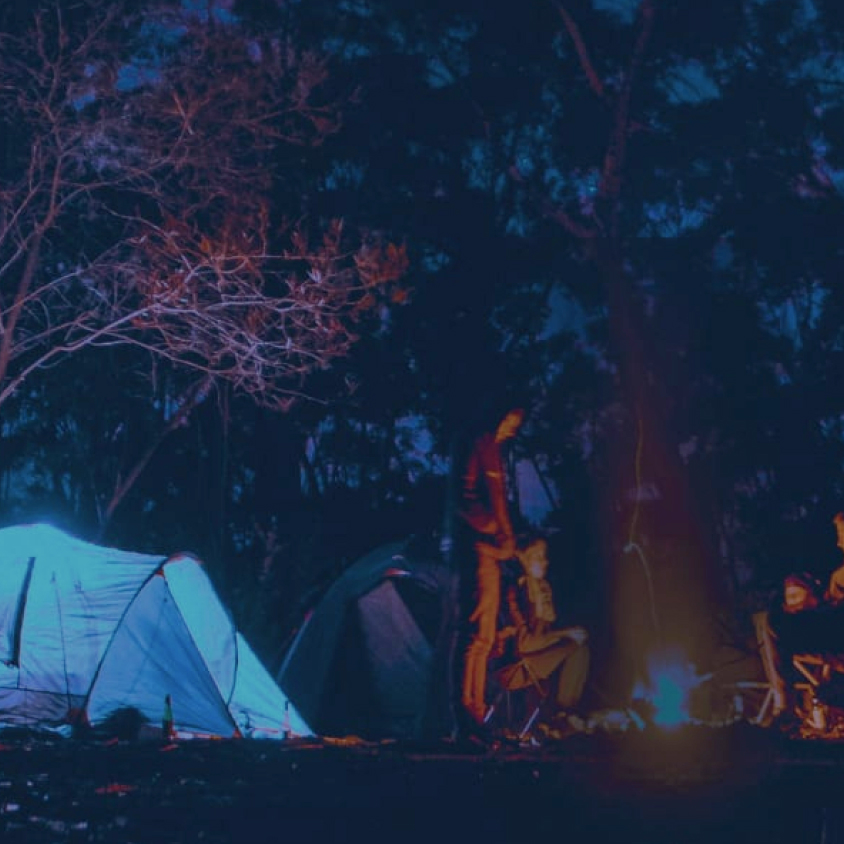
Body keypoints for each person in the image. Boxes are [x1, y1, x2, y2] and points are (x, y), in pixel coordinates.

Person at [459, 404, 525, 728]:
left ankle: (477, 705)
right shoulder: (482, 446)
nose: (515, 428)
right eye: (513, 420)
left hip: (491, 548)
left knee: (485, 636)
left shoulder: (492, 450)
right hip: (483, 547)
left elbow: (498, 500)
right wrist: (495, 532)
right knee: (479, 637)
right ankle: (468, 705)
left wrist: (507, 538)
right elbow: (476, 496)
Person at [496, 536, 590, 725]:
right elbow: (525, 644)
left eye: (544, 556)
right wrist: (564, 634)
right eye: (538, 557)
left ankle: (564, 713)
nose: (545, 562)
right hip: (517, 666)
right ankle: (563, 713)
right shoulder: (516, 594)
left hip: (538, 659)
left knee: (579, 647)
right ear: (525, 560)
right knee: (576, 648)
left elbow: (546, 631)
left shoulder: (542, 589)